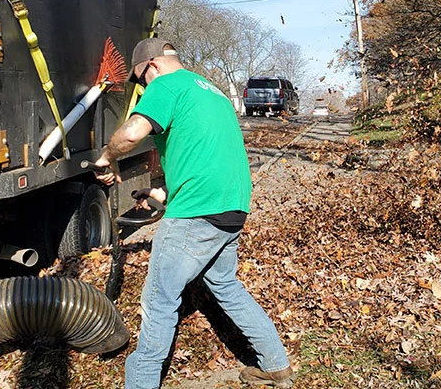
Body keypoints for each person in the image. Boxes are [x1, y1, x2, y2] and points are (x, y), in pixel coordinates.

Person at [93, 38, 294, 389]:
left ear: (151, 65)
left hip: (198, 212)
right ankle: (276, 364)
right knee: (226, 285)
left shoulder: (166, 84)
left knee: (159, 298)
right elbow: (202, 157)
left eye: (140, 81)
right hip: (231, 207)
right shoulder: (210, 91)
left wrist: (106, 158)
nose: (142, 89)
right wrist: (158, 192)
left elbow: (132, 133)